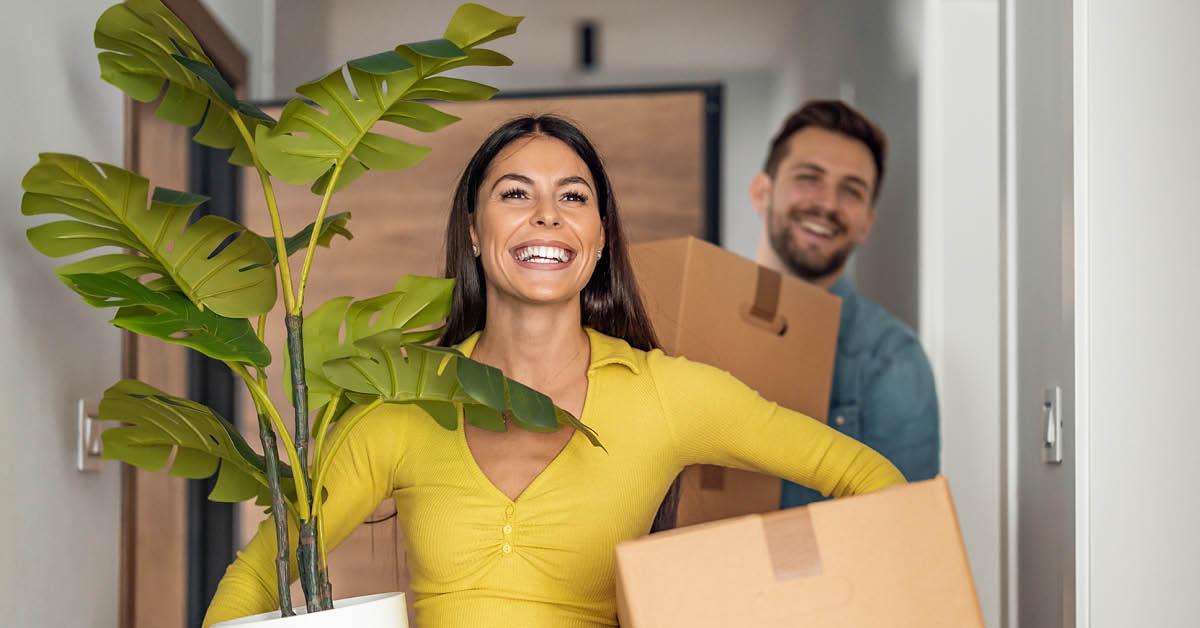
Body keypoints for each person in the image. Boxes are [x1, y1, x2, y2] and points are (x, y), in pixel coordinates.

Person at [204, 115, 904, 628]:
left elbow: (871, 481)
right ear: (474, 233)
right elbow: (262, 571)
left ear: (599, 238)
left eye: (573, 198)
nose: (546, 216)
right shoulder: (405, 403)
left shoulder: (667, 394)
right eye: (515, 195)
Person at [749, 100, 939, 509]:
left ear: (867, 222)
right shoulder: (691, 322)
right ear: (761, 192)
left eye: (851, 191)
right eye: (809, 178)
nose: (828, 204)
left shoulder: (891, 360)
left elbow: (904, 529)